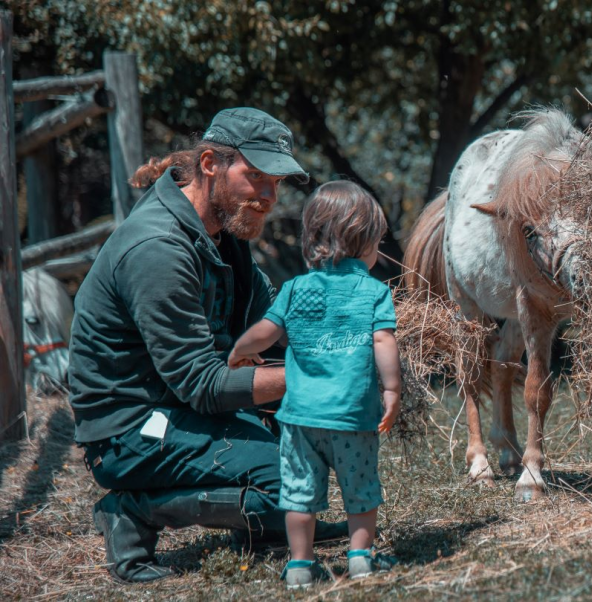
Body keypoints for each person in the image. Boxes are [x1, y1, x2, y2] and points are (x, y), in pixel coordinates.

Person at [68, 108, 347, 584]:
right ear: (211, 163)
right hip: (132, 428)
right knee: (289, 479)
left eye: (275, 182)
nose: (267, 195)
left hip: (182, 406)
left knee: (310, 449)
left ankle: (260, 527)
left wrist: (350, 338)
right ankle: (132, 509)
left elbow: (273, 321)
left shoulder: (224, 234)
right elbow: (202, 384)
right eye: (254, 175)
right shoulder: (157, 248)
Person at [228, 181, 402, 588]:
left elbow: (266, 333)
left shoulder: (294, 290)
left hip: (300, 418)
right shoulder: (374, 292)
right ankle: (360, 559)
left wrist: (238, 350)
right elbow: (383, 341)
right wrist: (391, 390)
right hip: (353, 417)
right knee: (361, 488)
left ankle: (301, 566)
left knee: (299, 494)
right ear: (363, 244)